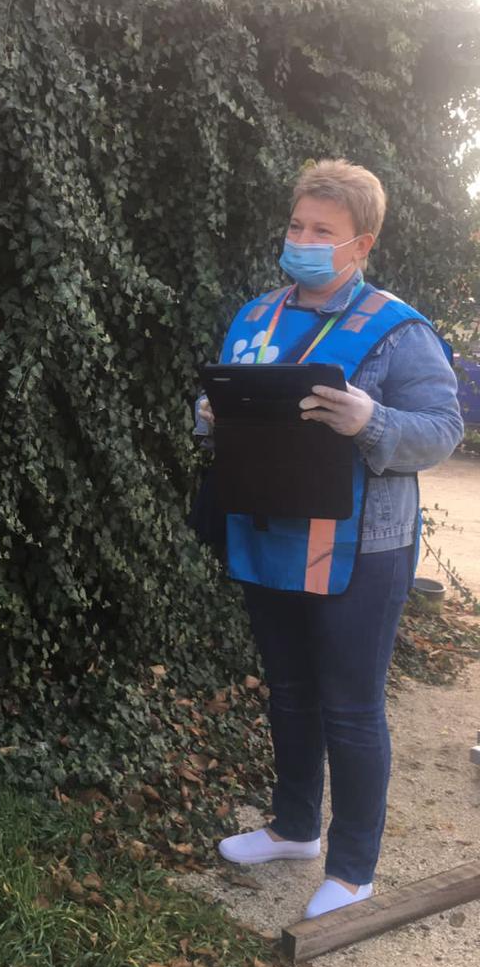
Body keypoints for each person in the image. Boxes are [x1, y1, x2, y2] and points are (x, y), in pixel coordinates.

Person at [196, 158, 462, 920]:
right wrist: (207, 418)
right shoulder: (257, 316)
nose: (304, 240)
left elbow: (443, 429)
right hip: (268, 531)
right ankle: (294, 827)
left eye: (323, 231)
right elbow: (223, 402)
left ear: (361, 244)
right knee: (288, 692)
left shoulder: (398, 330)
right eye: (297, 225)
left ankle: (352, 870)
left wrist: (371, 420)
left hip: (360, 551)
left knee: (350, 707)